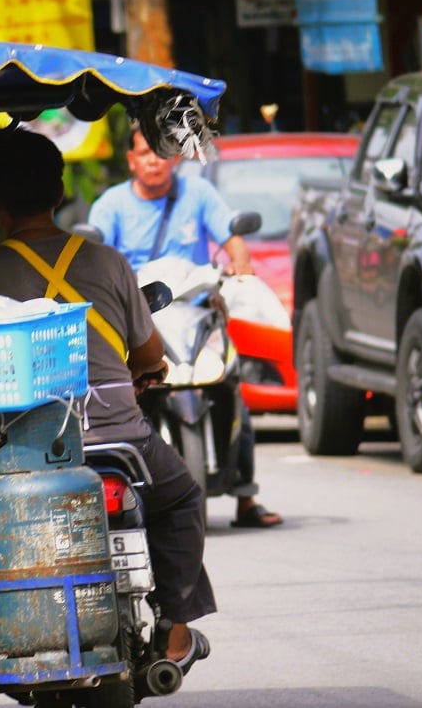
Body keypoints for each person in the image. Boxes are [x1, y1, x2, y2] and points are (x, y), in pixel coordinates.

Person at [0, 128, 214, 674]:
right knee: (182, 499)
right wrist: (142, 371)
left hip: (19, 450)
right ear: (61, 190)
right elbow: (148, 352)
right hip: (120, 438)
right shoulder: (108, 262)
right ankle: (175, 630)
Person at [88, 122, 283, 529]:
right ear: (131, 160)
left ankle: (246, 497)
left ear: (175, 157)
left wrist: (240, 264)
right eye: (144, 154)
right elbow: (96, 251)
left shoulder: (199, 194)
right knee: (124, 394)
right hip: (141, 319)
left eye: (160, 153)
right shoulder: (110, 205)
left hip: (197, 312)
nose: (153, 162)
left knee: (231, 382)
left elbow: (232, 238)